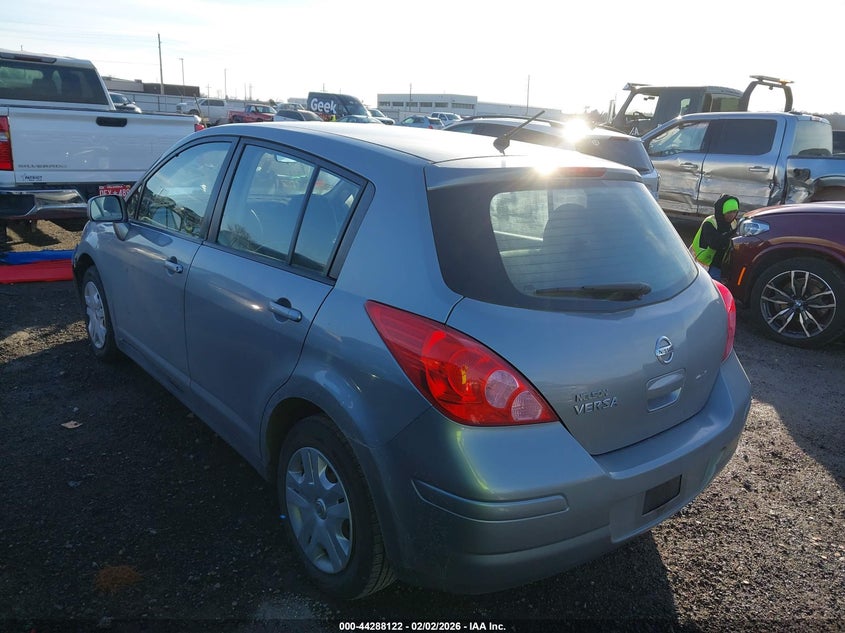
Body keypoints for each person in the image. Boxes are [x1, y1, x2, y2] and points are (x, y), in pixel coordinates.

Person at [689, 194, 741, 281]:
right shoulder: (709, 223)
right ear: (721, 211)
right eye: (729, 212)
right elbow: (715, 243)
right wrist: (732, 233)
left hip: (721, 264)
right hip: (705, 265)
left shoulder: (733, 223)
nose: (732, 215)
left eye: (735, 212)